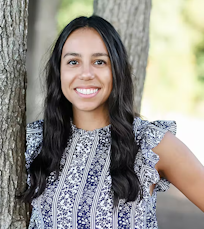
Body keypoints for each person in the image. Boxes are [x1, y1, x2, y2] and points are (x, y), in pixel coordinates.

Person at [21, 15, 204, 228]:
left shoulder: (151, 144)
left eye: (99, 62)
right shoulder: (34, 143)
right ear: (59, 72)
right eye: (73, 62)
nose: (86, 73)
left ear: (116, 70)